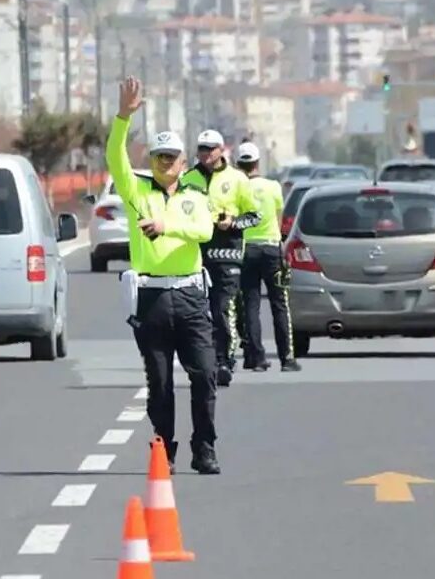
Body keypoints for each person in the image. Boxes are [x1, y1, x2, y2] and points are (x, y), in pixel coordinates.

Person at [105, 76, 220, 475]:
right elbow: (114, 157)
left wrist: (167, 227)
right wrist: (123, 116)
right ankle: (163, 449)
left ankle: (204, 447)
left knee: (204, 374)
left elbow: (205, 232)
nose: (166, 163)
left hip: (190, 296)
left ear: (184, 163)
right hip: (151, 299)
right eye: (159, 157)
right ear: (150, 160)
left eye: (172, 157)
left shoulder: (194, 198)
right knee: (160, 382)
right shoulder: (137, 192)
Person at [181, 130, 261, 388]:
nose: (205, 153)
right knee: (197, 313)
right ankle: (203, 361)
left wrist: (233, 222)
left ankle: (224, 360)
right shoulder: (188, 178)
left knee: (223, 309)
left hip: (228, 255)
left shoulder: (237, 179)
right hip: (196, 255)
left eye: (210, 148)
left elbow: (255, 216)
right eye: (201, 148)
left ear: (221, 150)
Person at [235, 141, 302, 373]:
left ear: (238, 164)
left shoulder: (237, 188)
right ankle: (287, 357)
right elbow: (278, 216)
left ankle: (256, 357)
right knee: (279, 303)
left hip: (246, 250)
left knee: (250, 304)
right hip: (272, 249)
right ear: (257, 163)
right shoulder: (273, 187)